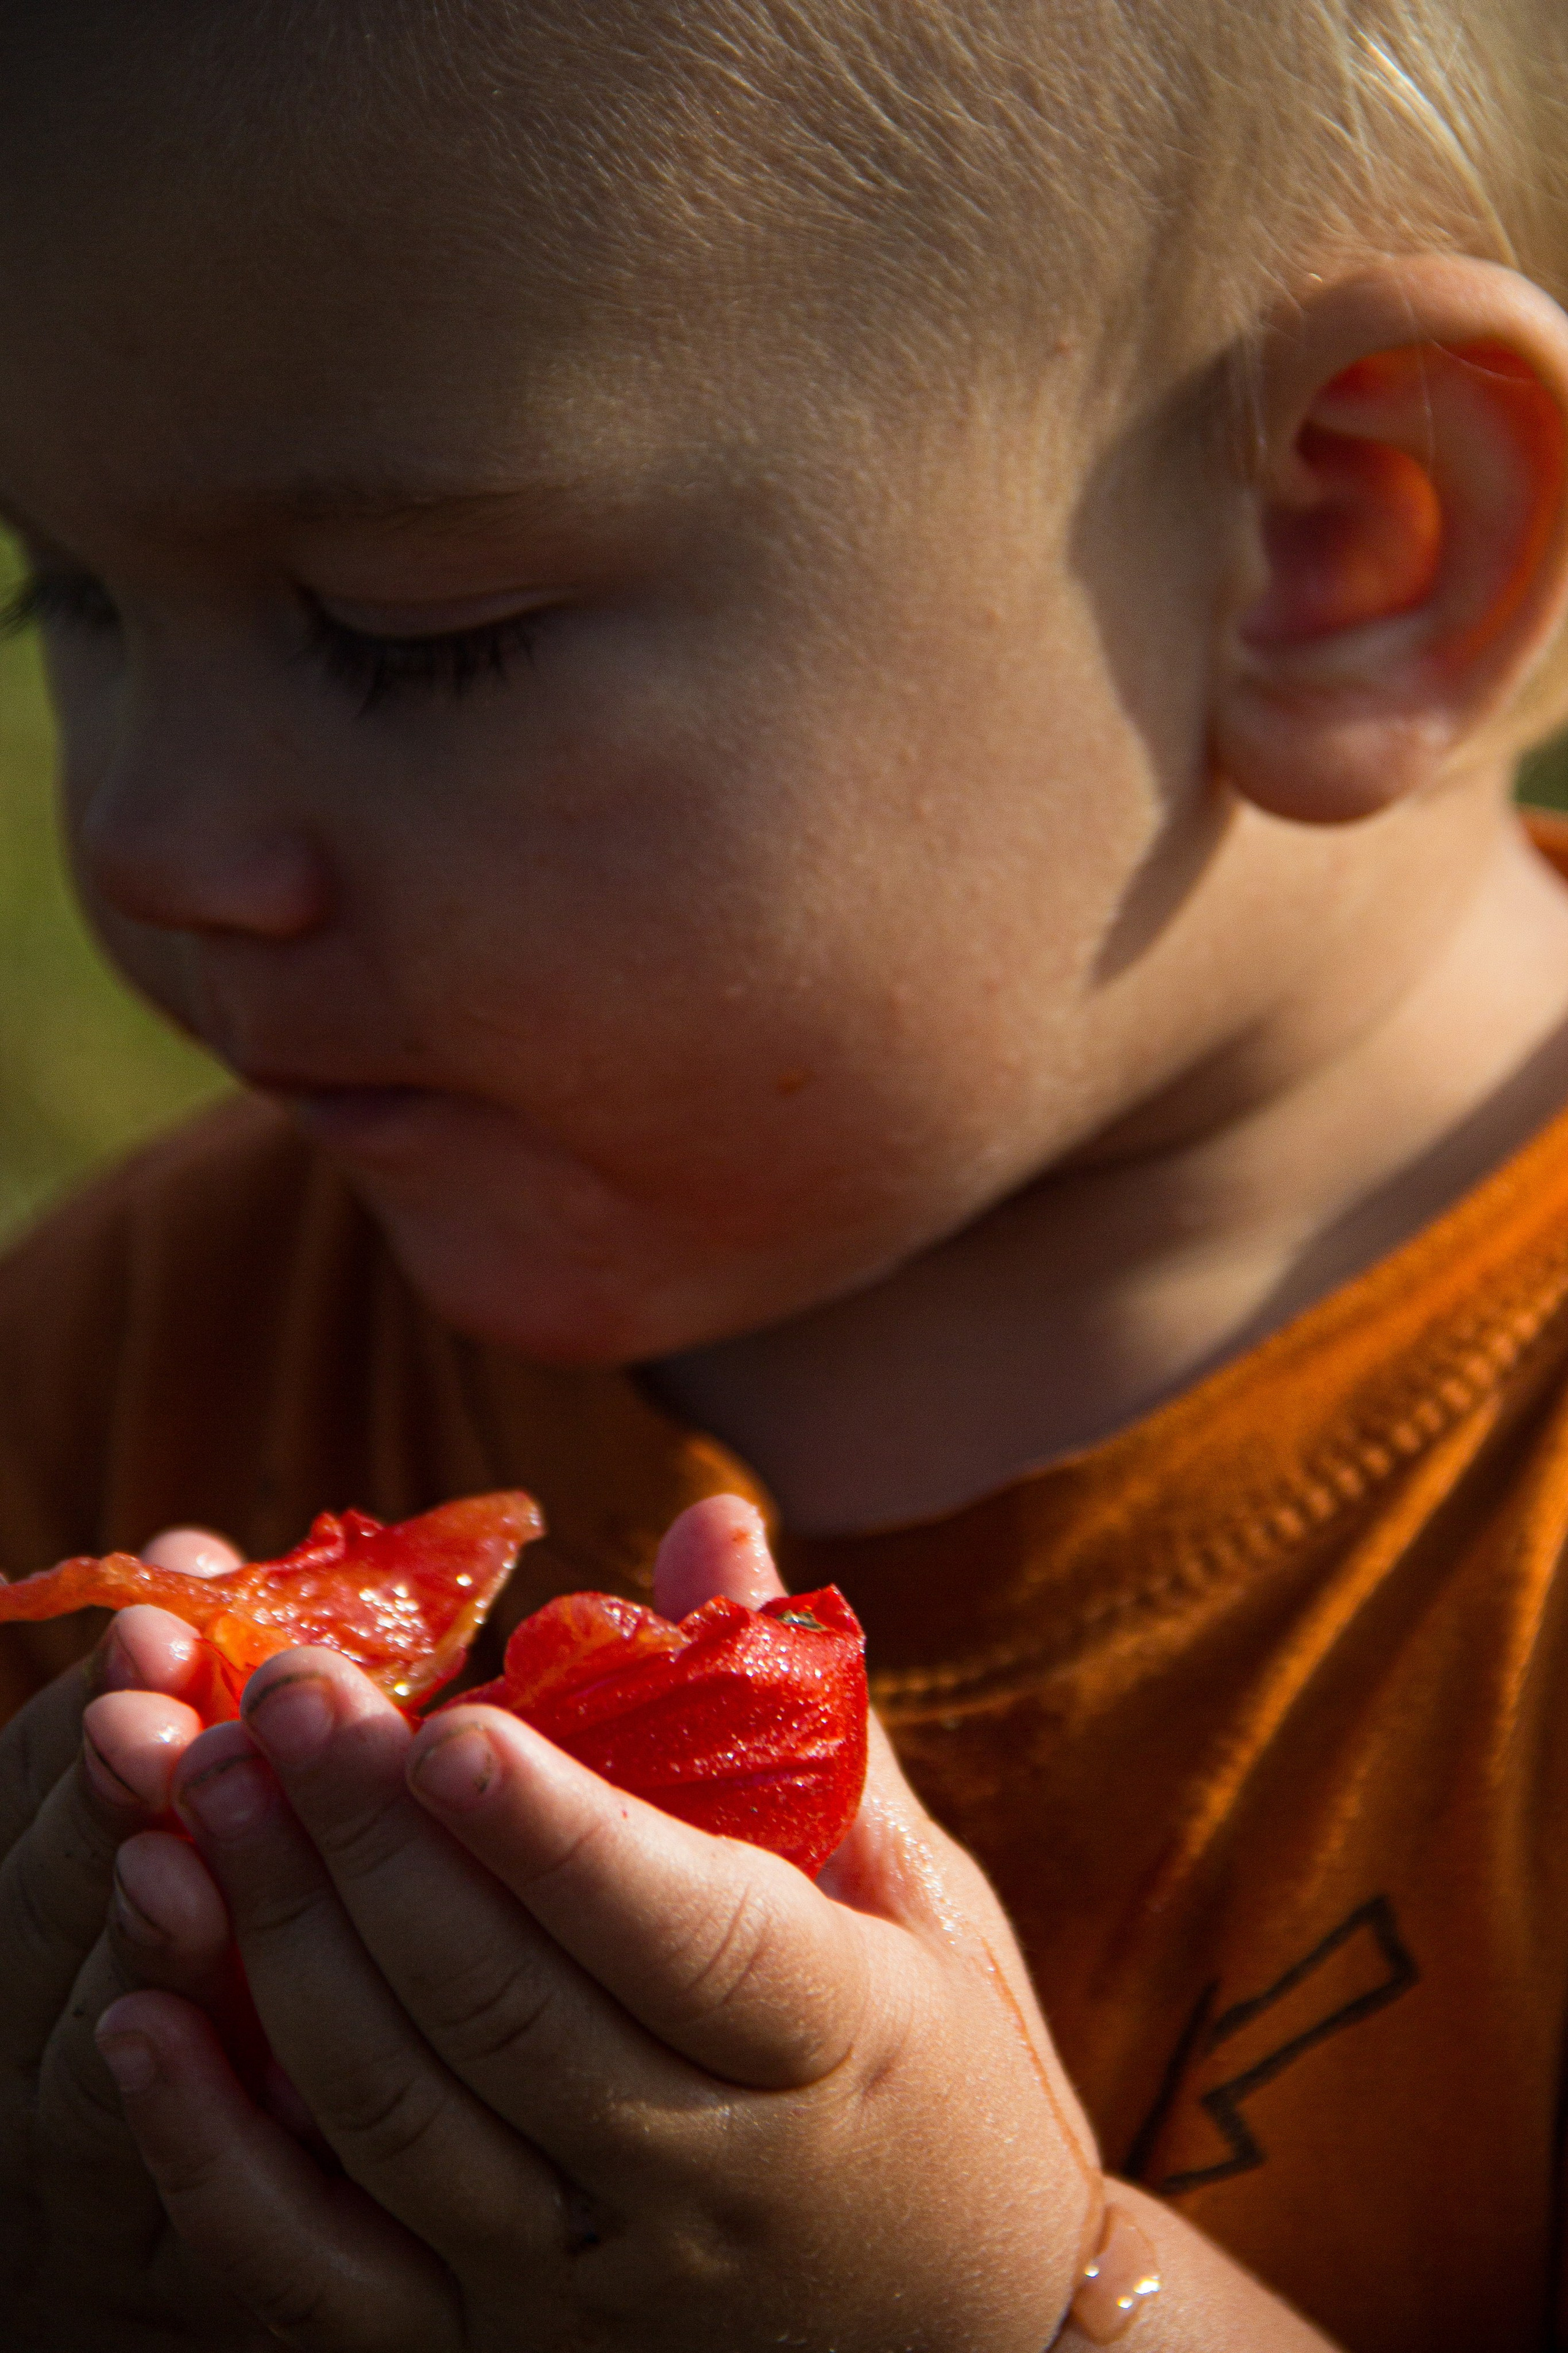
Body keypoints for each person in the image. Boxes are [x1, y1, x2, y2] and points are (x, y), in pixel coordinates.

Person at [1, 0, 1567, 2343]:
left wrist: (1030, 2308)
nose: (151, 843)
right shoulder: (144, 1343)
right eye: (75, 600)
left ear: (1339, 545)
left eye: (424, 634)